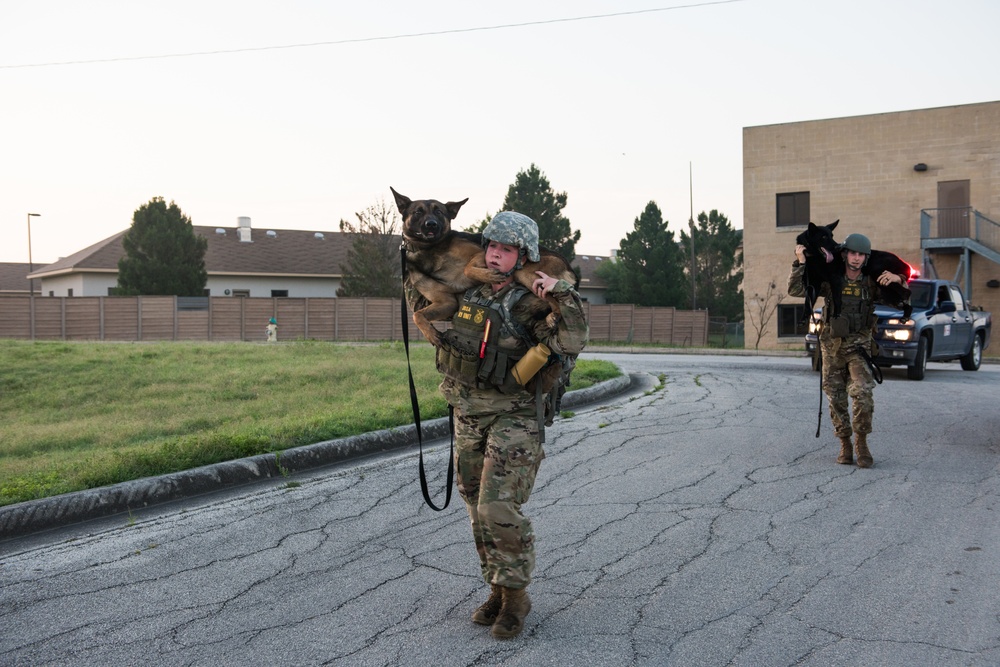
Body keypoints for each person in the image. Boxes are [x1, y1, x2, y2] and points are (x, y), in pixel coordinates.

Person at [405, 211, 588, 639]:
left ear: (522, 256)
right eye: (490, 246)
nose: (494, 255)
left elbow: (573, 339)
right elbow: (440, 320)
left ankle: (517, 598)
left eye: (505, 250)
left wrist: (559, 293)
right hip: (468, 412)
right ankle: (498, 589)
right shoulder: (469, 288)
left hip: (516, 415)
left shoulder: (533, 301)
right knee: (474, 506)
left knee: (498, 508)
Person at [788, 232, 907, 468]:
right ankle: (845, 442)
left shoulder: (871, 281)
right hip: (832, 346)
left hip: (859, 347)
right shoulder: (831, 278)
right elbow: (796, 291)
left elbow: (900, 301)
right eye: (852, 253)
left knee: (862, 393)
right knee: (836, 397)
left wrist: (899, 279)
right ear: (845, 255)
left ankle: (861, 443)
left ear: (866, 258)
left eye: (861, 254)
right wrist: (800, 262)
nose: (856, 258)